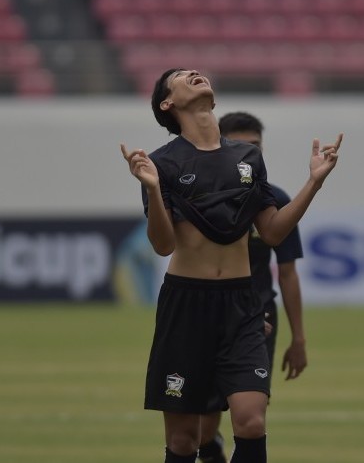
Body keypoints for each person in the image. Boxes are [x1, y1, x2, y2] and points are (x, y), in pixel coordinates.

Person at [120, 68, 341, 463]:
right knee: (186, 439)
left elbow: (272, 232)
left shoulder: (248, 157)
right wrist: (152, 189)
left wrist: (314, 183)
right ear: (167, 104)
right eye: (181, 76)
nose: (194, 73)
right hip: (187, 306)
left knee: (251, 422)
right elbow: (163, 244)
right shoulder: (161, 164)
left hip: (241, 304)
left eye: (196, 72)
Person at [196, 111, 308, 463]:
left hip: (258, 318)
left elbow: (287, 273)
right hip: (206, 315)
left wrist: (299, 339)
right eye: (241, 146)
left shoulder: (274, 199)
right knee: (201, 422)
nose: (250, 153)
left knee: (251, 416)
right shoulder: (201, 196)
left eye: (256, 147)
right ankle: (210, 446)